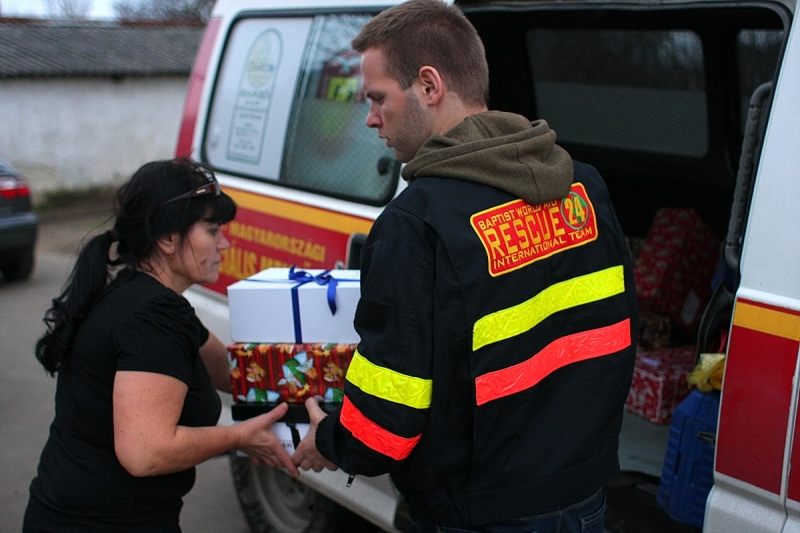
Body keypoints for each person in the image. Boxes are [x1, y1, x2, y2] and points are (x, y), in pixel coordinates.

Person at [292, 0, 639, 532]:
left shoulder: (415, 224)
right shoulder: (584, 187)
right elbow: (615, 333)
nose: (370, 118)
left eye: (379, 98)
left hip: (480, 513)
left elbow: (388, 417)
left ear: (429, 86)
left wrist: (330, 440)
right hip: (585, 498)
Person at [23, 159, 297, 532]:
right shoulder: (153, 317)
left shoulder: (145, 297)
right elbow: (145, 453)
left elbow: (236, 374)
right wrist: (239, 436)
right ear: (168, 238)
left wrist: (314, 382)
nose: (224, 243)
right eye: (212, 231)